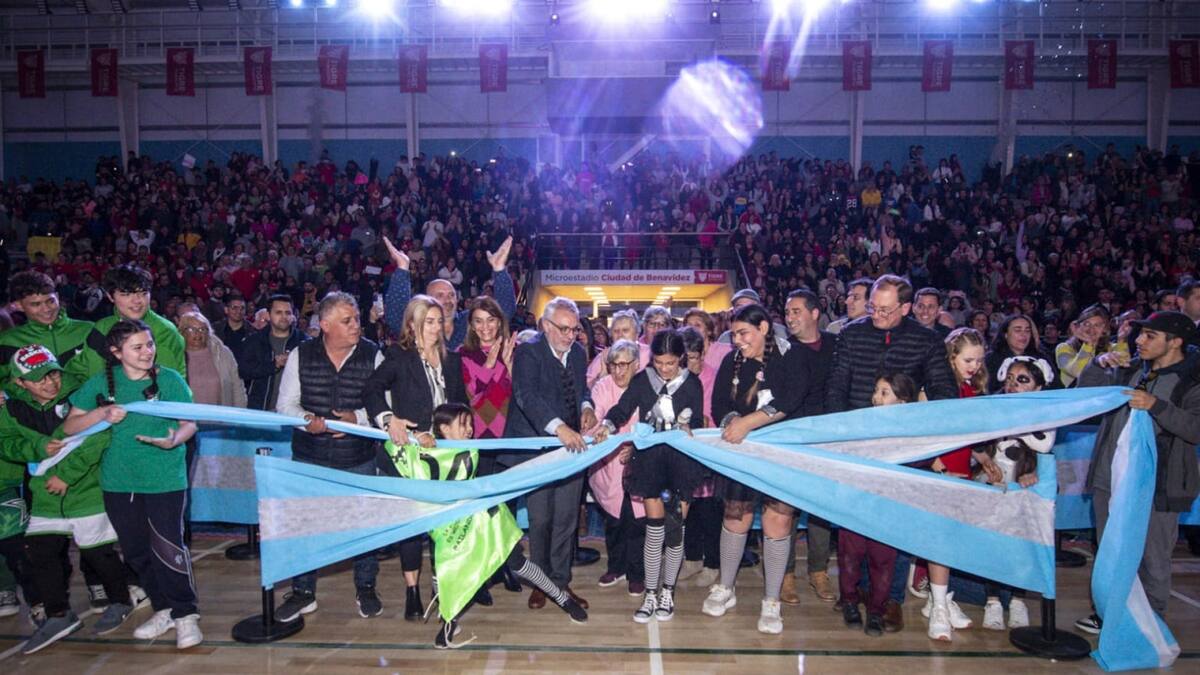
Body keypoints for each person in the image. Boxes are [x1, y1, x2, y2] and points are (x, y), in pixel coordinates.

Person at [381, 403, 587, 648]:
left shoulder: (471, 448)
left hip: (484, 521)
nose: (470, 429)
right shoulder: (423, 451)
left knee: (519, 564)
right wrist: (415, 438)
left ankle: (563, 599)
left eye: (470, 424)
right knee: (446, 574)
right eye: (463, 424)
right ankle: (449, 622)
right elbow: (395, 447)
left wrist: (424, 441)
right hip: (450, 529)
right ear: (444, 429)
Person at [63, 320, 201, 649]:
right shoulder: (100, 383)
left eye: (149, 344)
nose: (147, 352)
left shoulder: (169, 379)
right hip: (119, 482)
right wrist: (101, 414)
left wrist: (174, 441)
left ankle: (186, 615)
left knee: (169, 549)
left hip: (165, 478)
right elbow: (70, 426)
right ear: (116, 352)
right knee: (137, 552)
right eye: (137, 347)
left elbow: (189, 423)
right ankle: (163, 608)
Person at [0, 347, 136, 653]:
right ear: (20, 383)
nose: (50, 383)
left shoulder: (81, 394)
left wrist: (67, 475)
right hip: (45, 495)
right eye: (38, 379)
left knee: (99, 553)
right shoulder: (9, 407)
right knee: (40, 552)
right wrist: (36, 447)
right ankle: (59, 614)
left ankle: (120, 599)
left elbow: (99, 436)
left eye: (53, 373)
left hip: (86, 491)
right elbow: (7, 442)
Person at [1073, 311, 1200, 633]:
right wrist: (1096, 365)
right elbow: (1088, 397)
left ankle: (1151, 621)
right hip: (1110, 478)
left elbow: (1195, 428)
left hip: (1159, 484)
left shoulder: (1191, 381)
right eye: (1140, 334)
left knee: (1153, 557)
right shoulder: (1133, 371)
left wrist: (1157, 405)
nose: (1139, 341)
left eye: (1150, 336)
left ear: (1175, 342)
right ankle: (1107, 611)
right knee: (1110, 550)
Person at [273, 292, 385, 623]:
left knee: (365, 527)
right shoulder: (300, 354)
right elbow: (285, 406)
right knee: (305, 526)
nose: (356, 326)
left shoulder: (372, 354)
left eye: (356, 320)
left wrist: (358, 420)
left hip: (359, 457)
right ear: (325, 325)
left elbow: (383, 406)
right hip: (310, 456)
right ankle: (303, 592)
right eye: (347, 321)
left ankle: (366, 587)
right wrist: (308, 422)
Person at [702, 303, 812, 636]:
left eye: (743, 333)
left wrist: (749, 422)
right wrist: (730, 421)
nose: (737, 340)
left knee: (778, 521)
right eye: (734, 334)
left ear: (764, 328)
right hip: (742, 452)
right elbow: (719, 403)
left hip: (780, 452)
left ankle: (771, 599)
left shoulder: (792, 357)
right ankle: (727, 585)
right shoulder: (730, 361)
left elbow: (791, 399)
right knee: (736, 516)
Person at [365, 295, 469, 619]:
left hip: (443, 456)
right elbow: (370, 389)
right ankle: (412, 590)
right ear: (413, 324)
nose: (436, 328)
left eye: (439, 321)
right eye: (429, 321)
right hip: (407, 456)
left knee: (443, 526)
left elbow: (460, 403)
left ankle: (440, 585)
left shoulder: (451, 361)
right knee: (411, 527)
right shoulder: (399, 355)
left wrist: (457, 431)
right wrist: (388, 418)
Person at [594, 330, 706, 623]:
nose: (665, 369)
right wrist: (607, 424)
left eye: (670, 363)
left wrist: (686, 425)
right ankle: (651, 593)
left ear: (680, 358)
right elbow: (623, 408)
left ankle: (668, 591)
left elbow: (696, 420)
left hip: (681, 463)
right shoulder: (643, 379)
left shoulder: (692, 383)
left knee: (674, 529)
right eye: (659, 362)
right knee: (653, 529)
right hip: (650, 462)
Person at [499, 297, 596, 612]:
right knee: (540, 519)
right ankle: (540, 584)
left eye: (575, 329)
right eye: (563, 329)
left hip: (572, 449)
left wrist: (587, 408)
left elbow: (582, 390)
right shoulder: (529, 353)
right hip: (538, 448)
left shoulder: (579, 354)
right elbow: (527, 397)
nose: (570, 335)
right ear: (545, 325)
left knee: (567, 519)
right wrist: (559, 428)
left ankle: (561, 583)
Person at [973, 355, 1057, 631]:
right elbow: (976, 443)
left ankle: (1018, 600)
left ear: (1038, 387)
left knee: (1021, 546)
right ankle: (993, 600)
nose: (1013, 385)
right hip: (993, 486)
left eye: (1022, 380)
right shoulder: (993, 407)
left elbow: (1043, 446)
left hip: (1025, 490)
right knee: (992, 545)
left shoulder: (1044, 414)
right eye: (1010, 379)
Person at [922, 327, 987, 642]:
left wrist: (980, 455)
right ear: (951, 357)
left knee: (954, 537)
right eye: (968, 359)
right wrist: (935, 464)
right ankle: (938, 607)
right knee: (940, 539)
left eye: (978, 360)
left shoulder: (971, 389)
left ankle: (941, 599)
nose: (974, 366)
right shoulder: (935, 388)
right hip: (940, 470)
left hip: (962, 469)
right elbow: (921, 431)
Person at [838, 372, 915, 638]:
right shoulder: (861, 424)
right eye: (876, 391)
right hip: (858, 503)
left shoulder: (912, 435)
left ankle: (876, 610)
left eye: (885, 393)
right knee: (850, 554)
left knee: (883, 560)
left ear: (903, 402)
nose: (876, 397)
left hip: (888, 508)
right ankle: (849, 601)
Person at [780, 289, 838, 605]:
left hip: (826, 438)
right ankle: (785, 574)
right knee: (785, 508)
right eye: (787, 312)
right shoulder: (784, 351)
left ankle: (818, 571)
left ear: (815, 314)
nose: (790, 317)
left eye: (796, 311)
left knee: (820, 511)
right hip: (790, 438)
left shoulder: (835, 346)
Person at [383, 236, 516, 350]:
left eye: (451, 295)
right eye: (440, 295)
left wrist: (499, 269)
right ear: (428, 301)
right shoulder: (421, 324)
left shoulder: (468, 319)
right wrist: (402, 268)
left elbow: (503, 313)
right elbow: (396, 318)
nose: (448, 300)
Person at [587, 340, 646, 596]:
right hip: (608, 465)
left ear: (636, 364)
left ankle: (636, 573)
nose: (619, 371)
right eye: (614, 365)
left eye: (625, 365)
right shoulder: (602, 386)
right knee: (614, 520)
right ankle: (616, 567)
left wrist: (635, 447)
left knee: (637, 522)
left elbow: (652, 424)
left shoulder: (646, 386)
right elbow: (595, 421)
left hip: (638, 461)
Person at [68, 265, 187, 384]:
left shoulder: (164, 331)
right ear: (110, 296)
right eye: (126, 294)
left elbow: (170, 386)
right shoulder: (102, 328)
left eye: (143, 293)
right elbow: (79, 372)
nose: (137, 301)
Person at [0, 271, 93, 394]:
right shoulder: (7, 341)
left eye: (50, 301)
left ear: (58, 297)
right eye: (36, 304)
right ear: (19, 306)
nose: (46, 309)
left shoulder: (90, 330)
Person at [239, 294, 310, 411]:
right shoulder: (254, 341)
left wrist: (296, 362)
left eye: (288, 313)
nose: (284, 317)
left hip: (295, 412)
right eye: (278, 312)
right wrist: (274, 365)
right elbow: (243, 371)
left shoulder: (304, 342)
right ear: (268, 315)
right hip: (260, 410)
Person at [177, 312, 246, 408]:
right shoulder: (176, 355)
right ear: (182, 332)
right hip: (187, 419)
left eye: (202, 329)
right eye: (191, 329)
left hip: (220, 418)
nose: (198, 333)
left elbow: (238, 387)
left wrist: (239, 415)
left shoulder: (222, 353)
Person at [1056, 304, 1125, 388]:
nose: (1091, 329)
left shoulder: (1113, 348)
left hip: (1103, 397)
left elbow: (1124, 372)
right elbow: (1079, 372)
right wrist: (1088, 344)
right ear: (1078, 326)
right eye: (1086, 324)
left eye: (1097, 325)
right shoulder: (1064, 348)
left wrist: (1122, 340)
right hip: (1075, 398)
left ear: (1105, 329)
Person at [985, 314, 1055, 393]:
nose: (1023, 335)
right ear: (1006, 334)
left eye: (1027, 331)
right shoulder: (991, 359)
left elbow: (1057, 388)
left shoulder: (1041, 358)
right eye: (1018, 330)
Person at [586, 309, 649, 388]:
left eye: (625, 330)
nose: (620, 335)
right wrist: (603, 375)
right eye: (616, 331)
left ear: (637, 334)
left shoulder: (650, 354)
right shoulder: (604, 356)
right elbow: (587, 386)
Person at [212, 294, 251, 365]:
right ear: (226, 310)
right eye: (234, 308)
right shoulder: (215, 330)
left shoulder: (252, 331)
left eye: (242, 308)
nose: (239, 311)